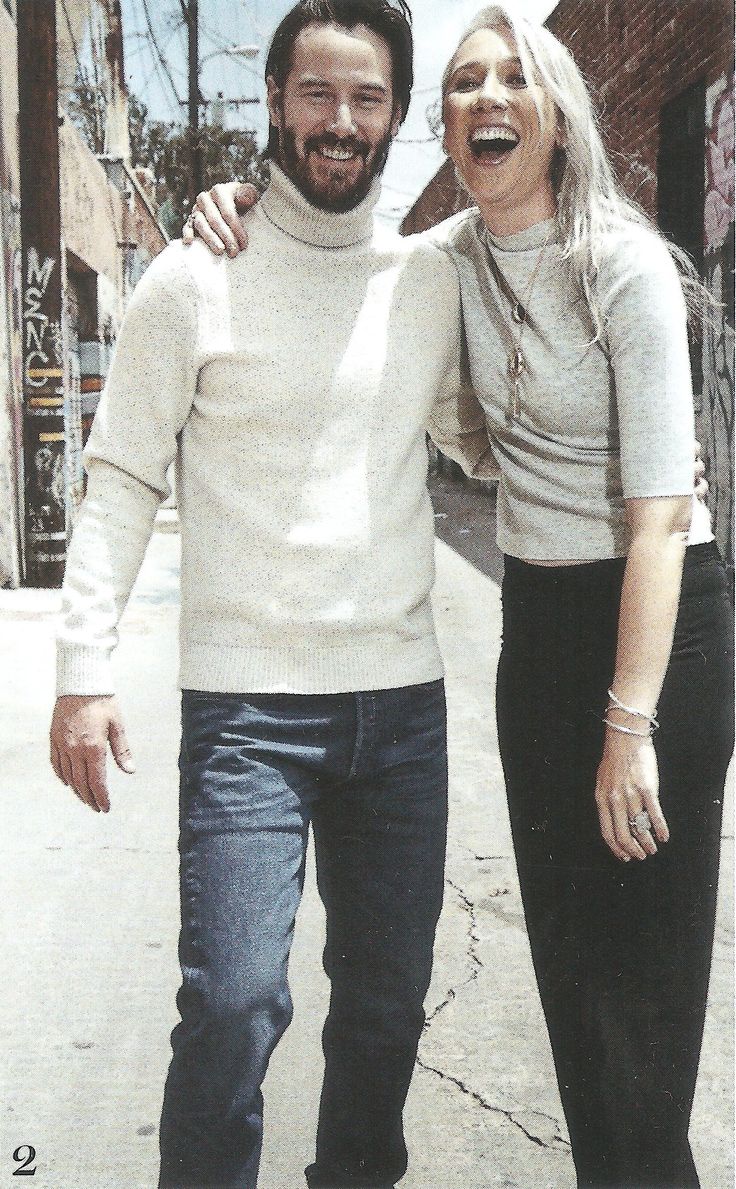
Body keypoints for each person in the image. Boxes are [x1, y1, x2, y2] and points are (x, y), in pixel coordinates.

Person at [190, 5, 733, 1187]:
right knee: (577, 1008)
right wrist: (235, 194)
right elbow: (330, 242)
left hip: (655, 629)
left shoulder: (625, 265)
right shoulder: (448, 260)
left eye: (512, 80)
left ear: (555, 116)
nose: (485, 98)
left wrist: (628, 725)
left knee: (640, 1021)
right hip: (537, 631)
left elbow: (656, 516)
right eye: (462, 82)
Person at [48, 4, 496, 1188]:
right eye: (317, 95)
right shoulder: (193, 278)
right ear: (276, 100)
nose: (340, 124)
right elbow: (122, 479)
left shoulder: (428, 280)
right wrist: (82, 672)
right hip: (248, 713)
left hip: (401, 710)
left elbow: (483, 438)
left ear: (399, 113)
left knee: (389, 1005)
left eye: (366, 99)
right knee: (236, 1003)